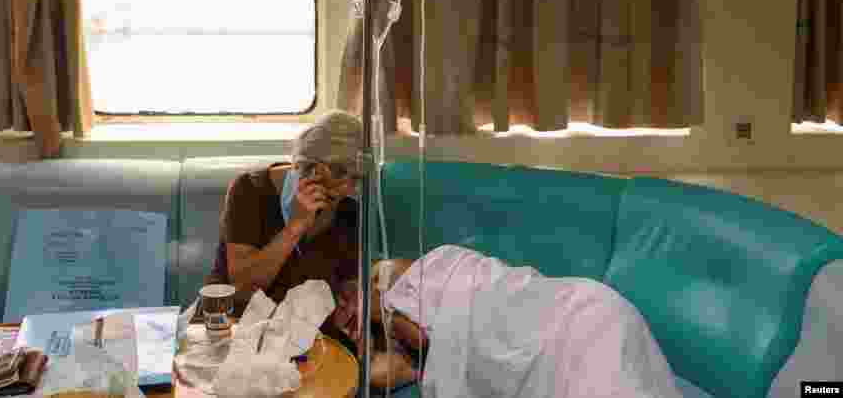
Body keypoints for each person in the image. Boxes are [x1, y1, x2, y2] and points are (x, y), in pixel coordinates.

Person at [332, 245, 684, 398]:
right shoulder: (400, 346)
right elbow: (395, 372)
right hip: (571, 326)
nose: (350, 310)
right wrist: (363, 351)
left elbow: (420, 335)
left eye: (347, 299)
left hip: (574, 315)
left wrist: (378, 309)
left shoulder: (412, 271)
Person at [206, 110, 363, 342]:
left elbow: (346, 288)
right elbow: (242, 290)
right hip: (235, 328)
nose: (346, 190)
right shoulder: (250, 191)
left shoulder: (349, 211)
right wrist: (295, 226)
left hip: (305, 338)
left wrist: (352, 303)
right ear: (308, 166)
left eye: (356, 180)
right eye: (340, 175)